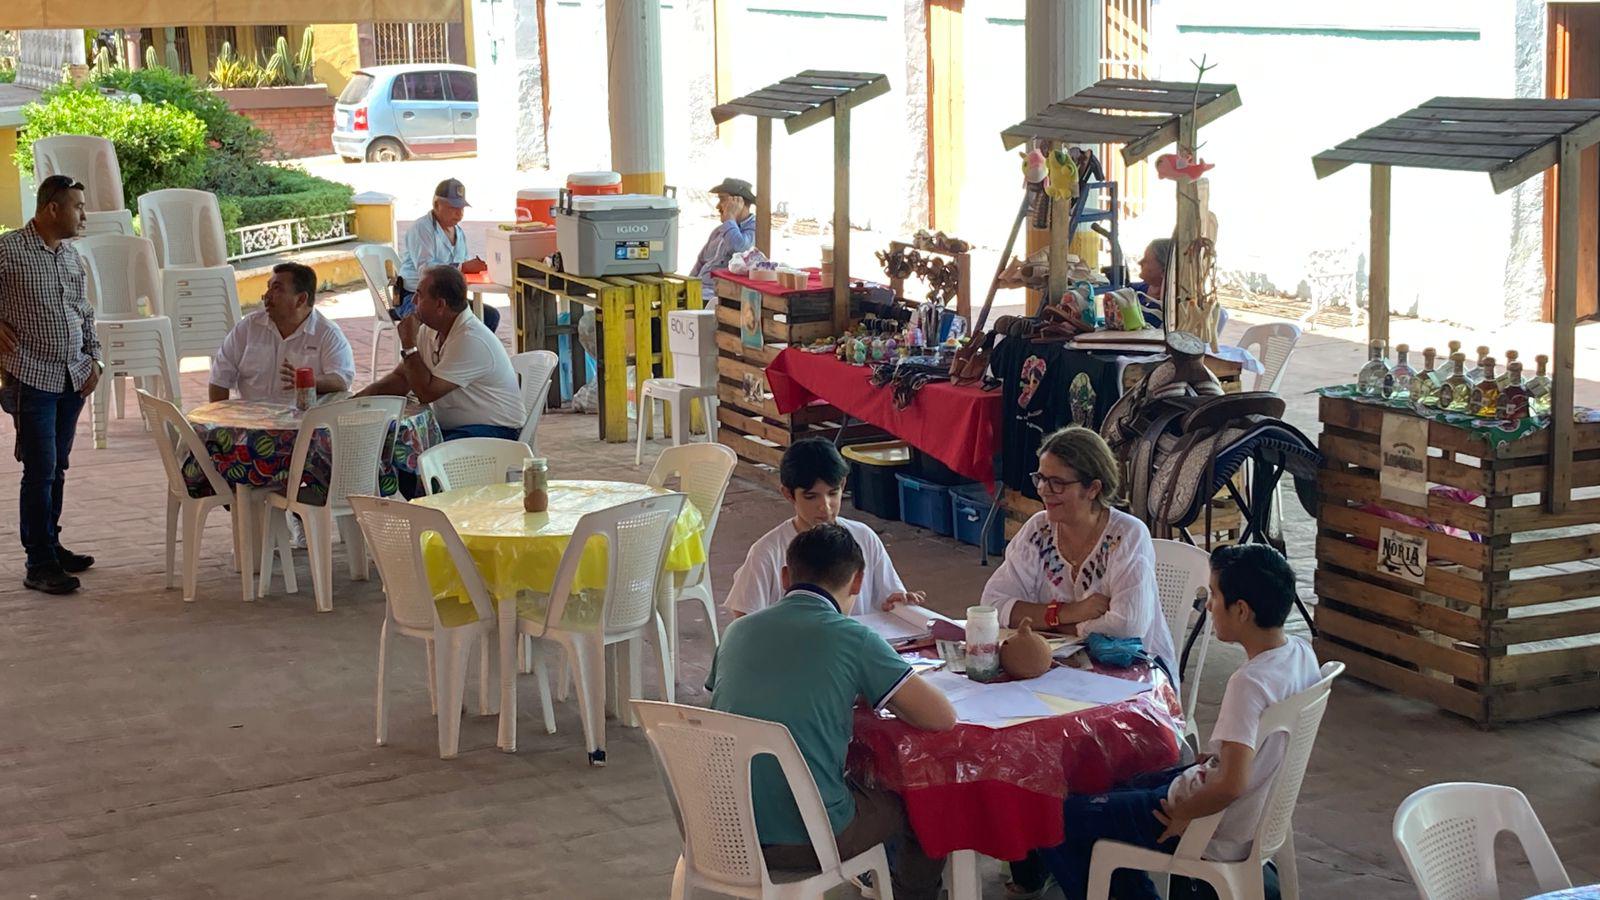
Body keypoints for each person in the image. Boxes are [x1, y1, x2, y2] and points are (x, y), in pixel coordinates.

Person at [1037, 544, 1321, 900]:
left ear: (1242, 611)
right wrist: (1216, 761)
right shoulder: (1299, 652)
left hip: (1207, 817)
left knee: (1050, 819)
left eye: (1215, 596)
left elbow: (1231, 784)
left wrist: (1185, 813)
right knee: (1111, 789)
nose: (1209, 607)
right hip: (1239, 812)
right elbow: (1250, 759)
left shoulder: (1249, 684)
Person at [708, 522, 956, 899]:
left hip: (724, 829)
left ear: (786, 575)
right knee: (924, 802)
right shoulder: (854, 637)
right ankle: (910, 893)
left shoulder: (738, 632)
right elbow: (941, 717)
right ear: (857, 582)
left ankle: (879, 880)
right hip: (807, 836)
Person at [980, 426, 1176, 682]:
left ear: (1093, 489)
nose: (1043, 489)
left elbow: (1127, 625)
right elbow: (992, 604)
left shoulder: (1127, 535)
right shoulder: (1039, 530)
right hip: (1057, 667)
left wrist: (1056, 625)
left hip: (1132, 672)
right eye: (1040, 478)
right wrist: (1070, 612)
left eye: (1057, 483)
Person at [0, 175, 101, 594]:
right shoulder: (9, 249)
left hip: (72, 378)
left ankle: (52, 545)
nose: (83, 215)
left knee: (57, 466)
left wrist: (95, 358)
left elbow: (84, 309)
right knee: (40, 471)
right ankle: (38, 563)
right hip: (31, 376)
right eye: (77, 206)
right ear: (52, 209)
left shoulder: (71, 256)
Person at [725, 437, 924, 618]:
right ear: (788, 494)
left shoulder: (864, 538)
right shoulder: (767, 552)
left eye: (833, 493)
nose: (825, 506)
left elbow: (889, 598)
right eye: (811, 496)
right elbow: (745, 620)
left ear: (843, 484)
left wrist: (900, 602)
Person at [358, 265, 523, 443]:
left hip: (495, 433)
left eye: (419, 295)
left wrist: (409, 346)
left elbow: (426, 393)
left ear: (440, 305)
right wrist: (358, 400)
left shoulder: (470, 338)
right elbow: (402, 378)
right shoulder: (429, 329)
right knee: (386, 443)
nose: (413, 301)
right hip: (457, 429)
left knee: (409, 453)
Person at [208, 262, 355, 403]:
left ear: (301, 299)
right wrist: (219, 422)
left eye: (277, 289)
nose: (267, 295)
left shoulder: (327, 334)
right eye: (268, 288)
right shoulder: (248, 328)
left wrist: (309, 380)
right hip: (252, 420)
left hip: (302, 423)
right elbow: (219, 379)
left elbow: (341, 379)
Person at [393, 178, 500, 333]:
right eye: (453, 207)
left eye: (462, 208)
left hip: (446, 299)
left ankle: (465, 355)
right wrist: (462, 267)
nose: (459, 213)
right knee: (437, 326)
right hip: (414, 296)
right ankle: (443, 355)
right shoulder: (422, 228)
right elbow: (425, 270)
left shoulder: (459, 233)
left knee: (489, 316)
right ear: (437, 204)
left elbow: (462, 266)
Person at [689, 177, 757, 292]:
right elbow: (700, 263)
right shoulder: (718, 231)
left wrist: (730, 217)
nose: (717, 206)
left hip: (719, 296)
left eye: (722, 199)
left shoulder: (756, 229)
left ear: (739, 202)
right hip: (698, 291)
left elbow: (740, 248)